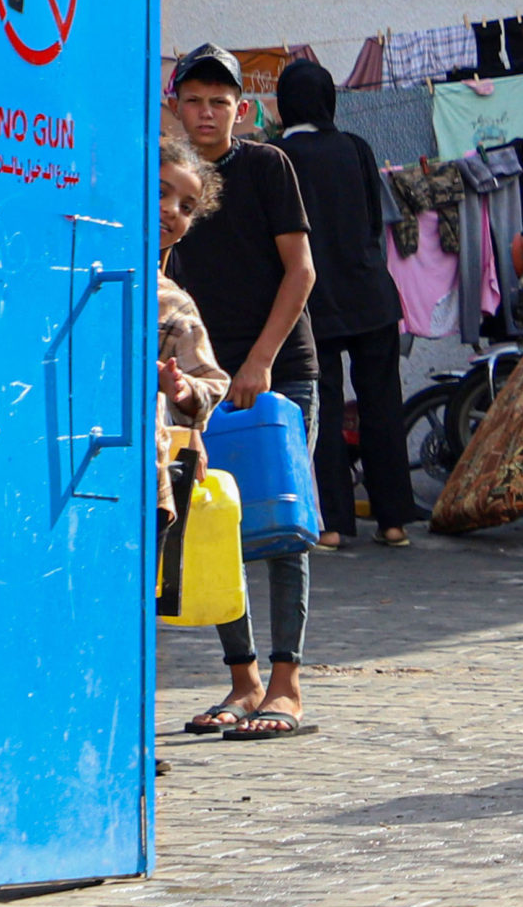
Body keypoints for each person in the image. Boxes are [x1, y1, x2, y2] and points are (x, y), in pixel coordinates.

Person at [165, 44, 322, 741]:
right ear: (175, 105)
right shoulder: (169, 178)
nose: (207, 112)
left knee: (281, 524)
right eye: (195, 99)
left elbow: (302, 272)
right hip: (196, 381)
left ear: (241, 109)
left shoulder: (267, 166)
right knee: (216, 521)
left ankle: (286, 682)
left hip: (274, 374)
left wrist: (258, 362)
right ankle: (242, 679)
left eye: (220, 101)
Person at [272, 59, 418, 550]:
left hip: (313, 301)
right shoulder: (356, 148)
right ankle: (394, 520)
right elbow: (376, 223)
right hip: (371, 295)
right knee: (382, 405)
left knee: (325, 410)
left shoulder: (276, 156)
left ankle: (331, 524)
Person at [156, 134, 232, 641]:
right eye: (161, 192)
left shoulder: (173, 304)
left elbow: (211, 381)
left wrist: (183, 393)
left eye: (185, 206)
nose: (170, 211)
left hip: (141, 471)